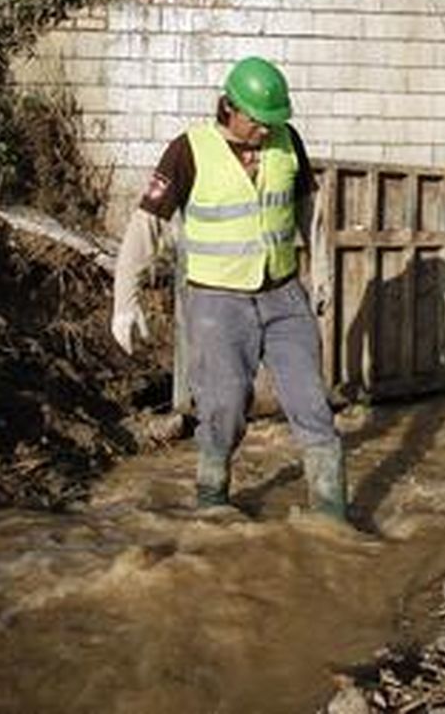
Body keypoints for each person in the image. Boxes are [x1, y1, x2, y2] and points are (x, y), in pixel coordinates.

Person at [110, 56, 345, 519]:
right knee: (226, 407)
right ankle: (213, 499)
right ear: (230, 109)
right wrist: (125, 301)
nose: (267, 130)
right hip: (216, 301)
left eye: (274, 122)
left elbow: (310, 214)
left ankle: (333, 519)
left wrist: (322, 274)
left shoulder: (287, 141)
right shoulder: (187, 151)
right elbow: (146, 229)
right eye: (260, 121)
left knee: (313, 404)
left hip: (282, 294)